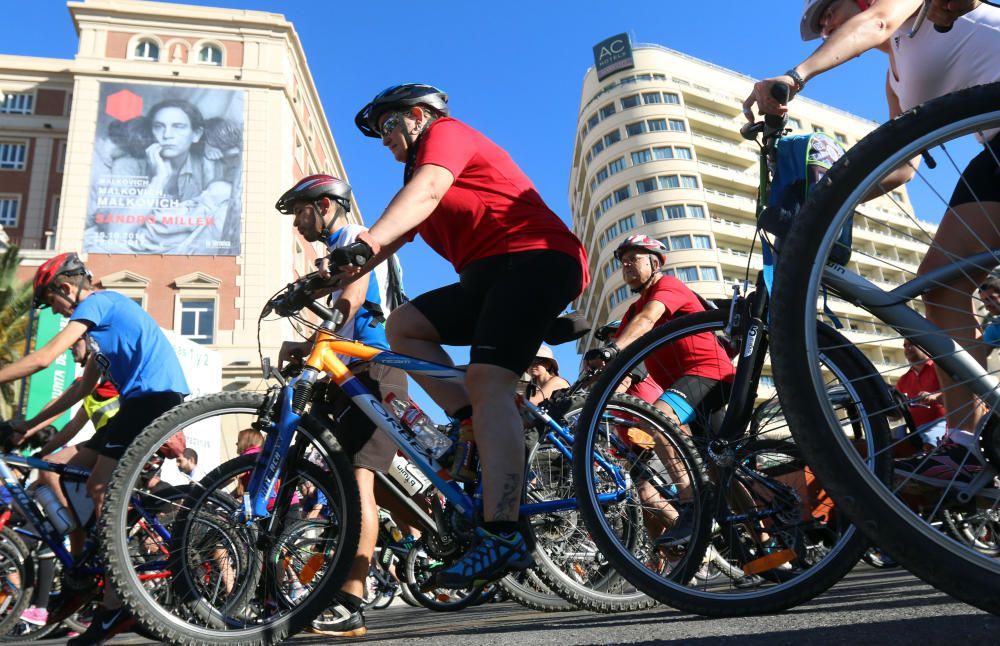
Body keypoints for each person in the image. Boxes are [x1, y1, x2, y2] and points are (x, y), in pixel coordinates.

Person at [340, 83, 588, 590]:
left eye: (388, 126)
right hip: (487, 277)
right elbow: (396, 235)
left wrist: (364, 241)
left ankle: (503, 532)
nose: (385, 141)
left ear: (417, 116)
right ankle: (475, 426)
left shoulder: (447, 135)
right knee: (404, 327)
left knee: (488, 379)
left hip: (535, 259)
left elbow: (425, 194)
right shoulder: (415, 175)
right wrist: (324, 279)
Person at [743, 0, 1000, 481]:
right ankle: (967, 445)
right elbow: (903, 164)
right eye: (817, 23)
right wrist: (828, 195)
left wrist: (795, 78)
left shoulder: (913, 5)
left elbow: (878, 22)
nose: (823, 24)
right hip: (995, 152)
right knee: (940, 289)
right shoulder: (896, 77)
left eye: (828, 10)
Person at [0, 252, 189, 645]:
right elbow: (79, 391)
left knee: (101, 486)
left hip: (152, 398)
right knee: (60, 467)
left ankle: (115, 601)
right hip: (137, 402)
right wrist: (28, 426)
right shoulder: (103, 329)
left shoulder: (98, 303)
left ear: (66, 289)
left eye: (53, 303)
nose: (56, 313)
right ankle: (88, 564)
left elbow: (42, 359)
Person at [274, 173, 409, 638]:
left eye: (300, 209)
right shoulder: (335, 250)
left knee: (357, 484)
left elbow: (351, 300)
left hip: (372, 368)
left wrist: (316, 342)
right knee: (353, 484)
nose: (296, 221)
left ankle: (351, 600)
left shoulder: (353, 238)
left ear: (327, 205)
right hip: (349, 371)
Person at [598, 234, 735, 544]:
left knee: (653, 421)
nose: (627, 265)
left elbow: (647, 321)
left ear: (655, 262)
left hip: (709, 373)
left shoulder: (668, 286)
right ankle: (765, 546)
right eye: (623, 262)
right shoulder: (632, 310)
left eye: (635, 258)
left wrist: (614, 348)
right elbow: (613, 358)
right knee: (721, 467)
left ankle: (691, 506)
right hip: (688, 388)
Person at [895, 339, 948, 453]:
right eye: (905, 346)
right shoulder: (903, 380)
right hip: (915, 428)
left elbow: (957, 392)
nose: (907, 348)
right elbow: (896, 415)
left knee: (930, 439)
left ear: (925, 346)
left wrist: (933, 397)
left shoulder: (939, 367)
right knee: (892, 442)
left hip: (944, 422)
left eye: (912, 344)